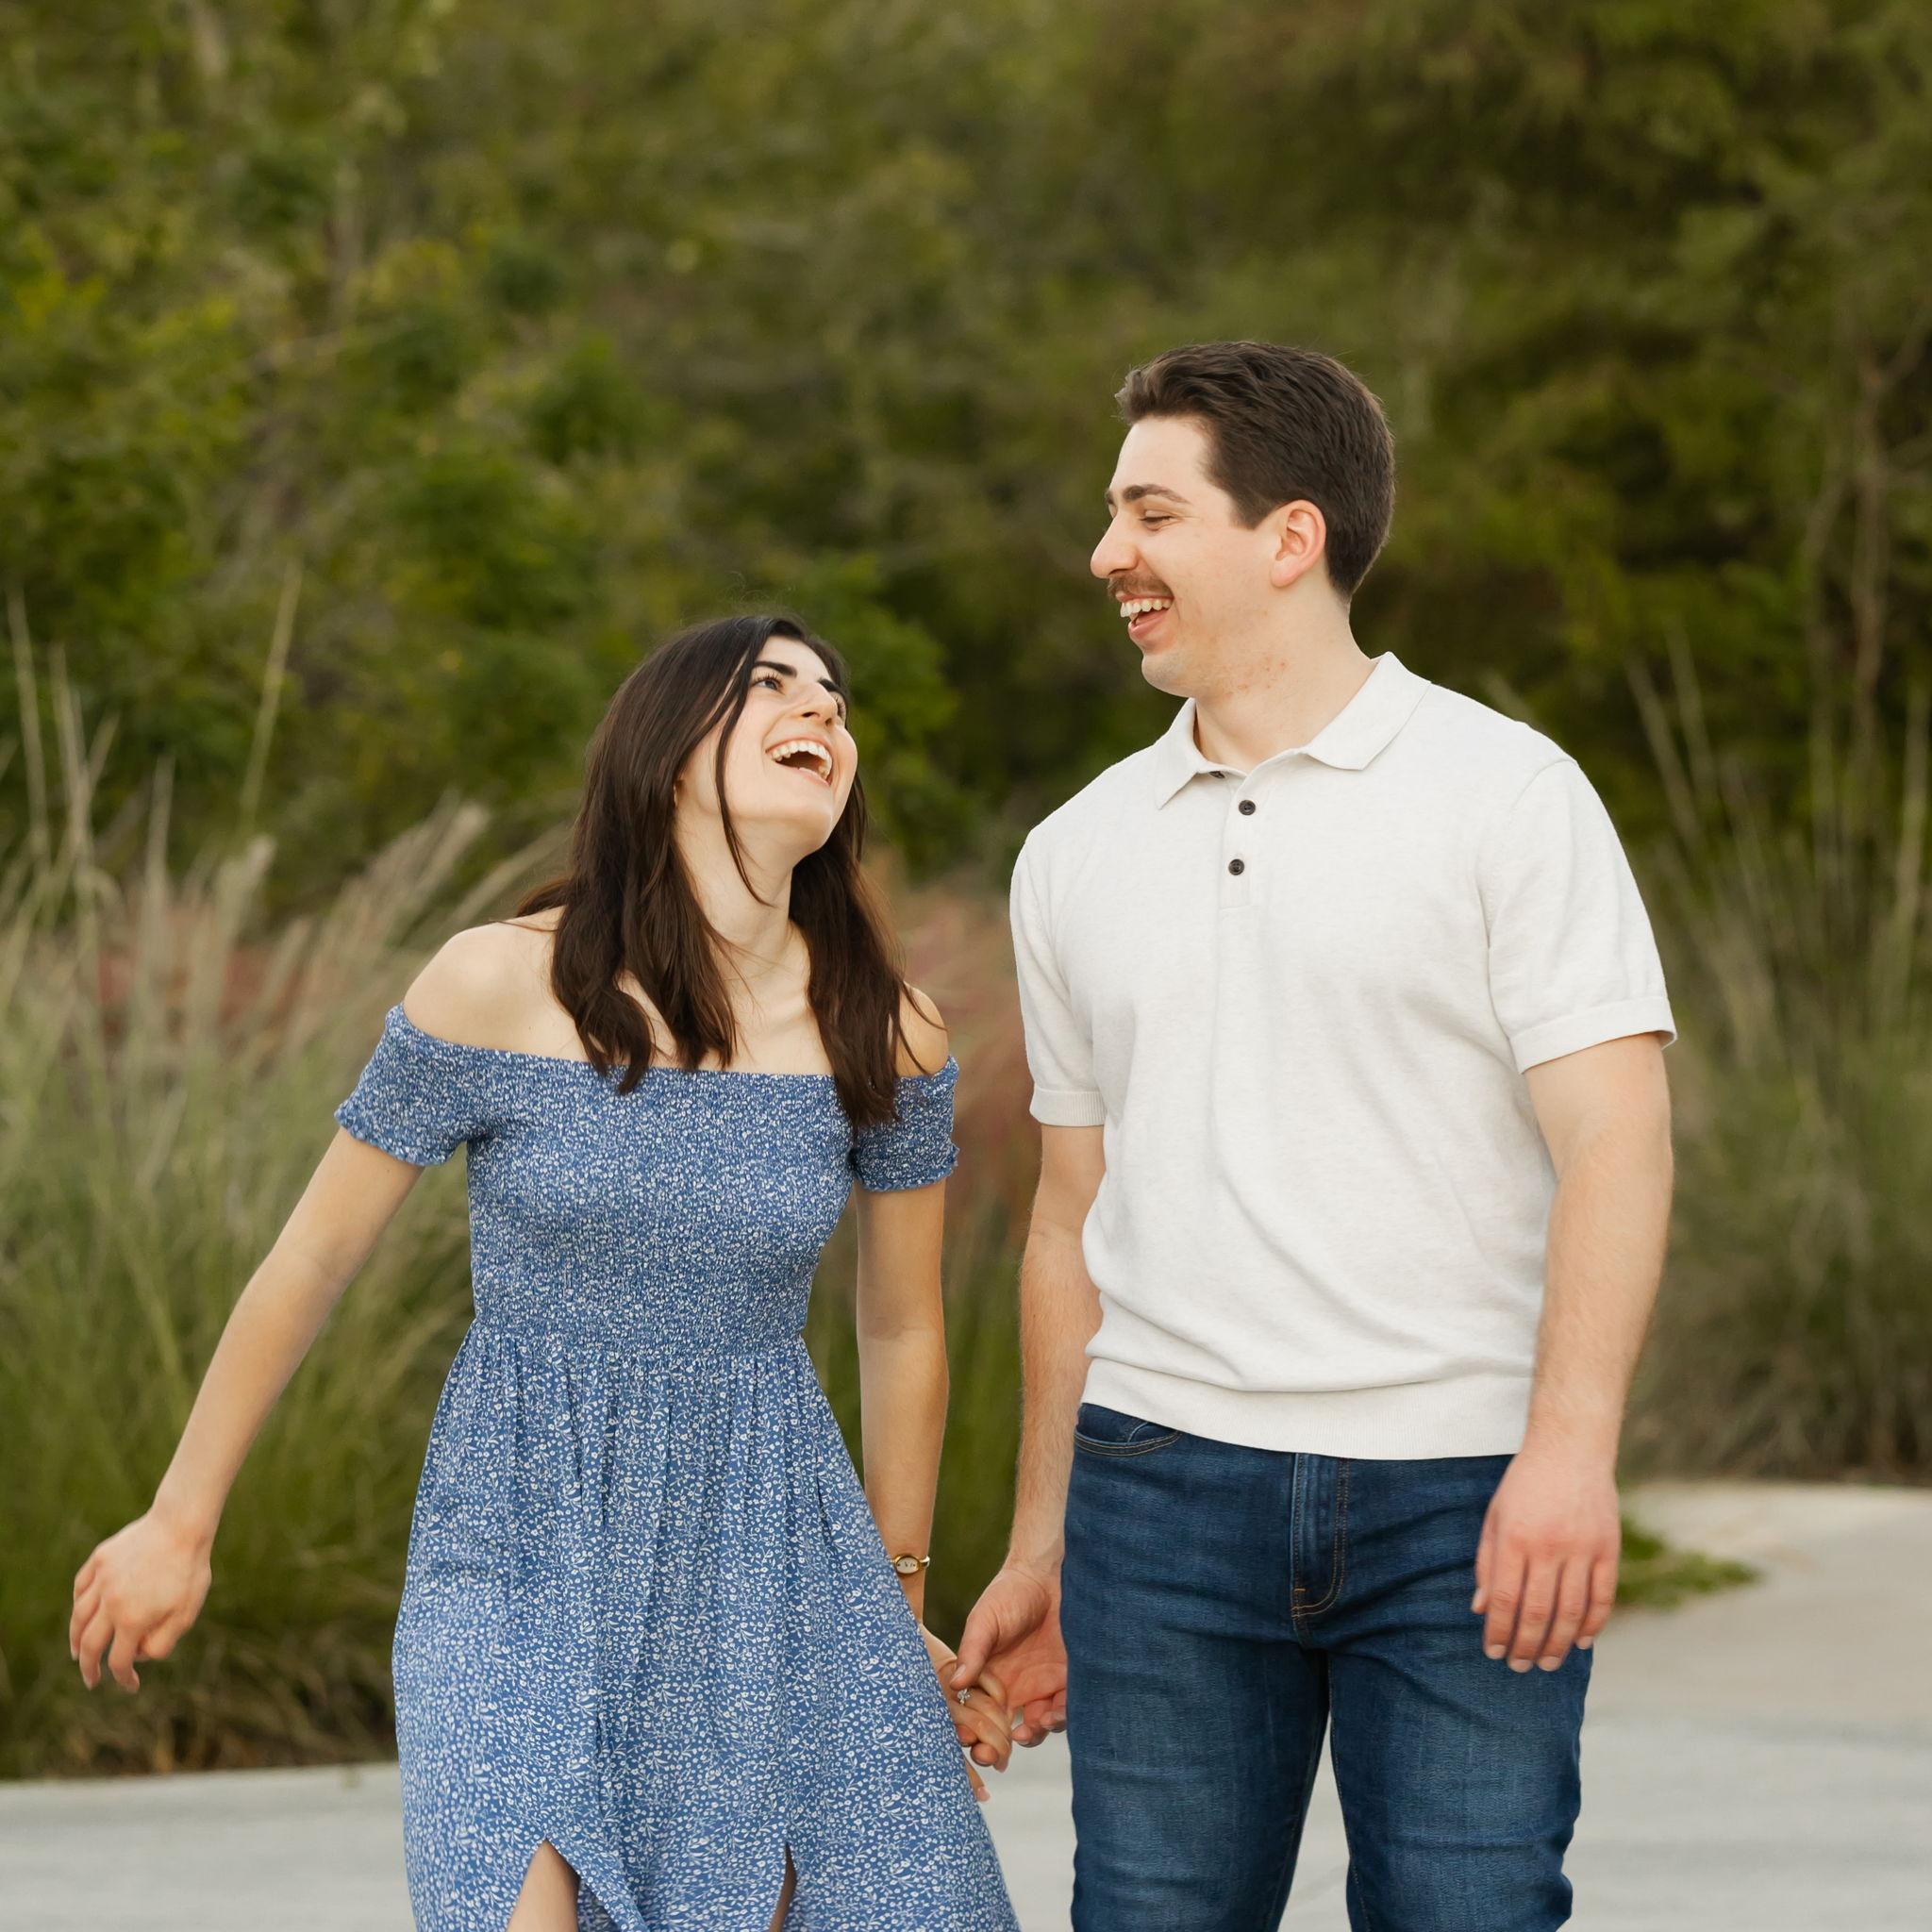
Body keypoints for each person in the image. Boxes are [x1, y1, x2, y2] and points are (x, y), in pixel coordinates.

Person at [67, 614, 1022, 1932]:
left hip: (770, 1557)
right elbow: (313, 1257)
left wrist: (892, 1604)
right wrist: (180, 1522)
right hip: (518, 1536)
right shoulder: (499, 982)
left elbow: (903, 1327)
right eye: (771, 686)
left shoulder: (886, 1025)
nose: (822, 711)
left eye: (835, 700)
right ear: (666, 751)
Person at [952, 341, 1677, 1931]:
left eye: (1152, 514)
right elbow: (1070, 1216)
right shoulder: (1073, 852)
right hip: (1157, 1493)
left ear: (1291, 537)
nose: (1106, 554)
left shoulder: (1509, 795)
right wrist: (1044, 1543)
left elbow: (1617, 1142)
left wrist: (1570, 1455)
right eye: (1112, 514)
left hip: (1463, 1496)